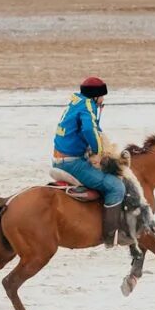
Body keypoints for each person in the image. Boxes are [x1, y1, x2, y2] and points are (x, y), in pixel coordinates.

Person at [53, 77, 131, 247]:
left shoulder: (77, 101)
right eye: (101, 96)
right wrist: (99, 151)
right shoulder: (89, 105)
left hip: (61, 157)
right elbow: (89, 129)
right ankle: (111, 235)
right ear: (95, 96)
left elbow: (94, 128)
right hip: (72, 162)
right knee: (116, 186)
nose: (102, 100)